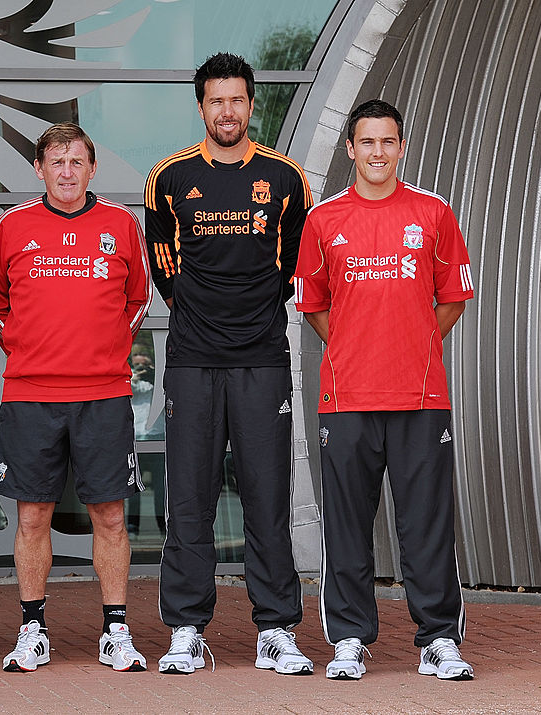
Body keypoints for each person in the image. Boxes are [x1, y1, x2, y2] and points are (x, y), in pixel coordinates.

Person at [144, 52, 314, 675]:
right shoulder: (168, 178)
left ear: (251, 104)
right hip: (192, 358)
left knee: (268, 494)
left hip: (263, 357)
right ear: (201, 106)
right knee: (189, 497)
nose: (227, 111)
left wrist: (248, 315)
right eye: (216, 100)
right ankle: (187, 628)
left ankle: (276, 629)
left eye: (237, 99)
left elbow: (290, 263)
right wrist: (204, 313)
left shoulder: (287, 177)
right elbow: (164, 266)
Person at [293, 99, 475, 681]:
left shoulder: (434, 212)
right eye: (366, 142)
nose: (377, 152)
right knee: (346, 523)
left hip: (421, 399)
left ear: (401, 147)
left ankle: (439, 640)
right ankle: (349, 639)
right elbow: (314, 305)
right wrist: (351, 340)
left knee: (427, 524)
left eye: (387, 142)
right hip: (347, 400)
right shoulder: (323, 221)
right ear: (350, 149)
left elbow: (451, 298)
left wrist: (417, 336)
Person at [0, 122, 152, 673]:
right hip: (31, 396)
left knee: (110, 515)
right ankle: (32, 629)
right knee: (32, 516)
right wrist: (30, 351)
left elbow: (138, 300)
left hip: (102, 394)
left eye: (77, 161)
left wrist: (100, 352)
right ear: (39, 169)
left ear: (92, 167)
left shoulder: (121, 225)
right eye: (56, 162)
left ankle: (116, 630)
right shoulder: (13, 226)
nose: (67, 172)